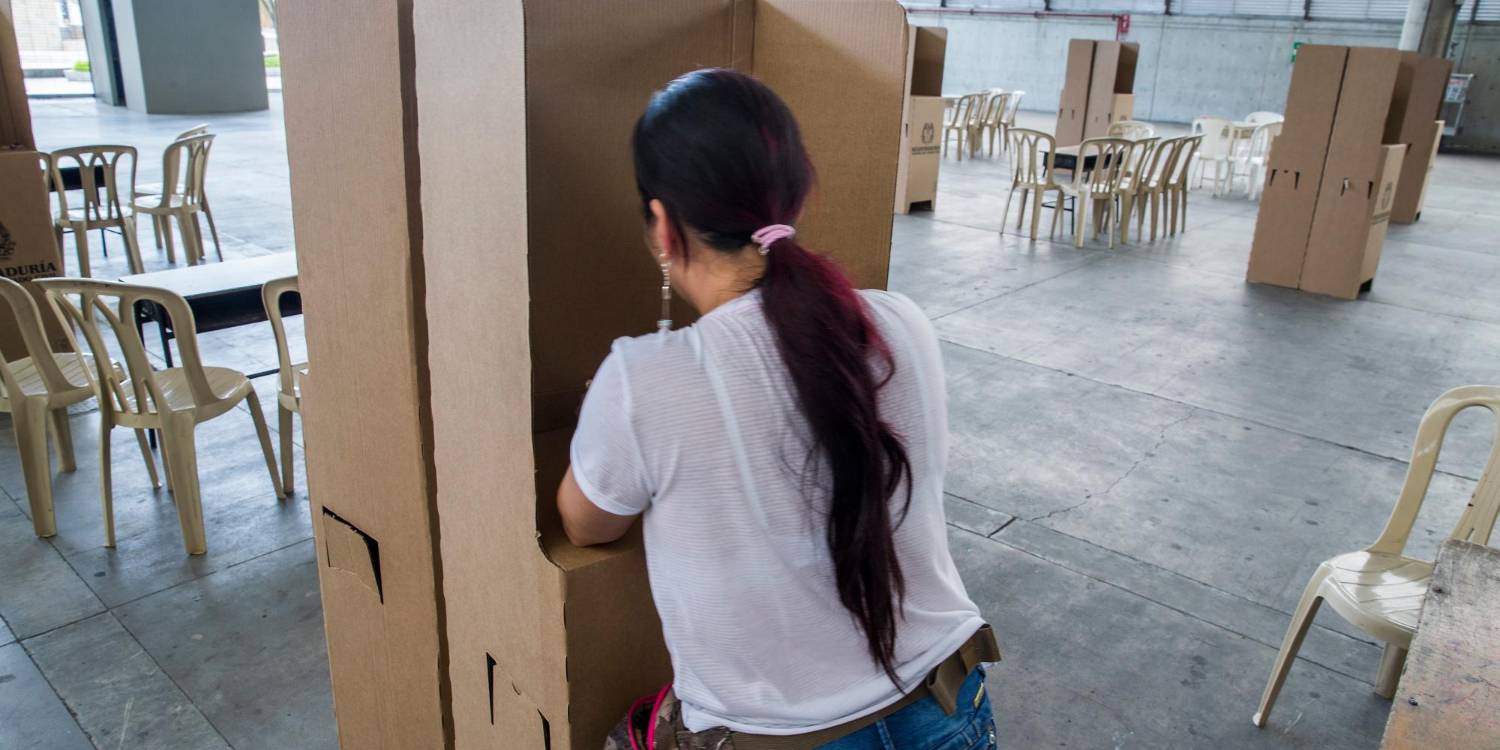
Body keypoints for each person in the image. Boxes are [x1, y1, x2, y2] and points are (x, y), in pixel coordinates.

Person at [559, 68, 998, 750]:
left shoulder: (643, 379)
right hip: (949, 708)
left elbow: (585, 525)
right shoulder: (901, 322)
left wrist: (612, 418)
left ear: (663, 226)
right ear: (793, 196)